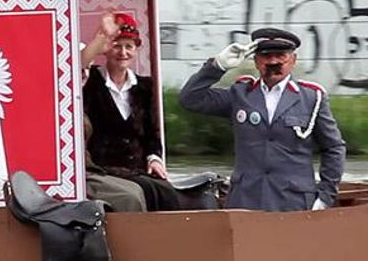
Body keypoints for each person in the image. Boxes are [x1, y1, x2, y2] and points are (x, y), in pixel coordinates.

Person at [178, 28, 345, 212]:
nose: (273, 61)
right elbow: (190, 99)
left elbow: (334, 148)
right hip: (246, 200)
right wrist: (217, 66)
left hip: (294, 203)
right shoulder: (241, 94)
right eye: (266, 55)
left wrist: (324, 197)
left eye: (280, 55)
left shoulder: (311, 97)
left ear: (293, 60)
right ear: (256, 61)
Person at [79, 13, 182, 211]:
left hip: (136, 168)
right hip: (102, 169)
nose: (123, 52)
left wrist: (154, 158)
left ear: (136, 50)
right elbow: (76, 66)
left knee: (167, 192)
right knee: (135, 195)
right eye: (117, 46)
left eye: (129, 47)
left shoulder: (145, 86)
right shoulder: (91, 82)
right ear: (107, 50)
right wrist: (102, 37)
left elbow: (152, 132)